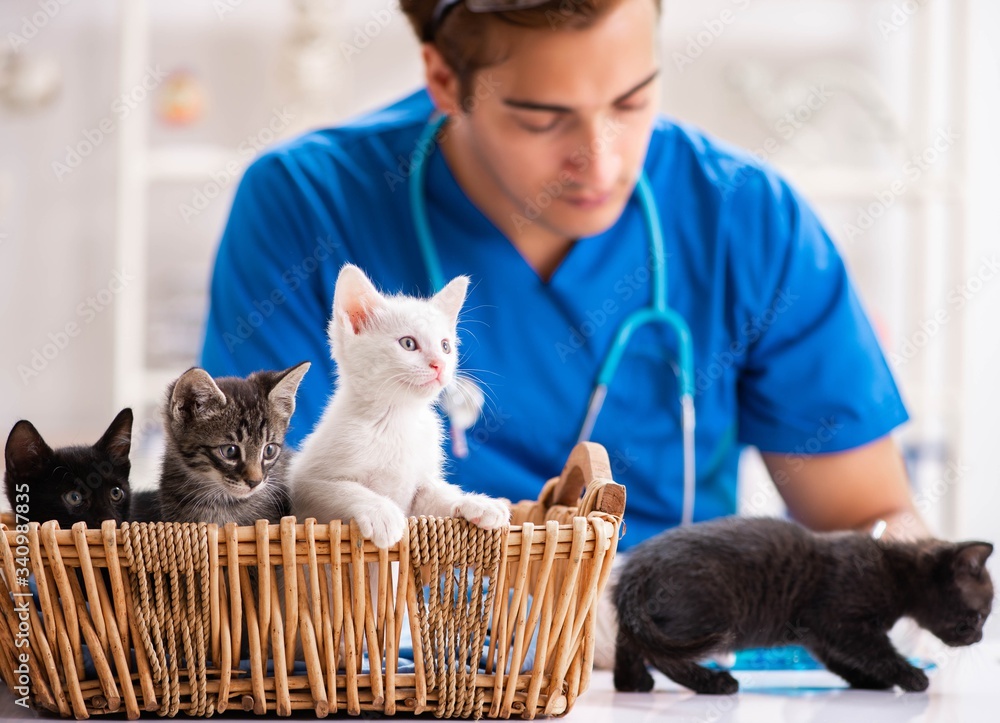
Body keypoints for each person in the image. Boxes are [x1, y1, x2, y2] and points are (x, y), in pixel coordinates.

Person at [201, 0, 928, 550]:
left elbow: (870, 522)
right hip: (390, 668)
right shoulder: (306, 205)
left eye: (633, 100)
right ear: (445, 80)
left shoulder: (747, 219)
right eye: (544, 118)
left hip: (664, 670)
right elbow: (247, 518)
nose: (602, 161)